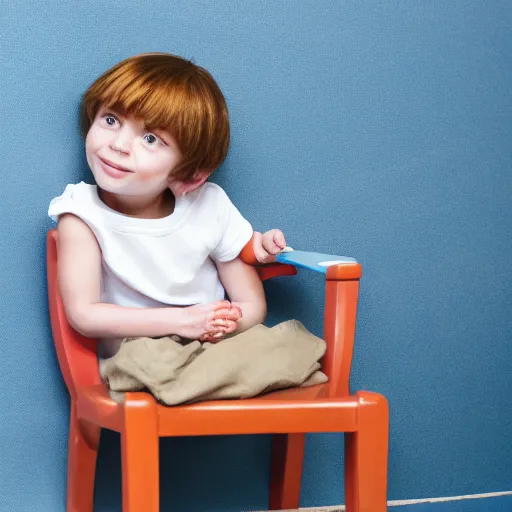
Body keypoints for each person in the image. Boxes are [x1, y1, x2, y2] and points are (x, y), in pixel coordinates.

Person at [48, 53, 287, 360]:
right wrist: (183, 322)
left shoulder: (209, 206)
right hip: (140, 356)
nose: (118, 145)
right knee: (155, 366)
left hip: (216, 349)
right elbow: (84, 314)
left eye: (150, 138)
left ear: (188, 176)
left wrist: (215, 326)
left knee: (294, 349)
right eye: (111, 120)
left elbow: (252, 307)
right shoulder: (82, 213)